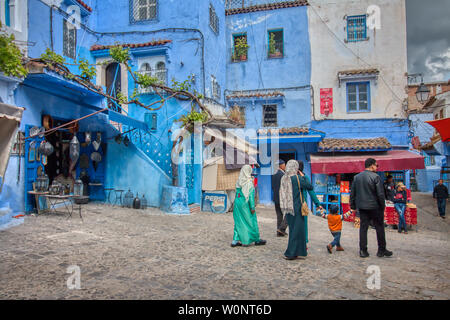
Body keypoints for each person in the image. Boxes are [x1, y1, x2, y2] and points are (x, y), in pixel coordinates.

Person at [280, 160, 322, 260]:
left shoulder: (284, 178)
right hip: (297, 208)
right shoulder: (297, 178)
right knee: (297, 231)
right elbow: (309, 186)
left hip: (288, 208)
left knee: (294, 230)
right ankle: (290, 253)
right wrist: (303, 176)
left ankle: (298, 251)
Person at [350, 158, 393, 258]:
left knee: (363, 228)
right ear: (372, 165)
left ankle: (363, 250)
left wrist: (353, 206)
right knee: (379, 227)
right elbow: (380, 194)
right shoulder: (376, 177)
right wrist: (382, 206)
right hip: (375, 207)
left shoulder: (357, 177)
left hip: (363, 207)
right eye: (376, 165)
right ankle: (381, 249)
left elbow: (353, 193)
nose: (377, 167)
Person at [231, 165, 266, 247]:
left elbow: (237, 193)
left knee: (238, 221)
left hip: (237, 202)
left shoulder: (239, 180)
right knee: (251, 221)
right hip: (245, 204)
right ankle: (255, 239)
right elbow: (250, 197)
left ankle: (235, 240)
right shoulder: (249, 182)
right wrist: (252, 207)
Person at [271, 159, 288, 236]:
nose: (285, 166)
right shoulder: (283, 175)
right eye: (284, 165)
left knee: (279, 214)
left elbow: (272, 186)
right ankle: (282, 228)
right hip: (282, 198)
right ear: (280, 165)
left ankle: (279, 231)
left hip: (276, 197)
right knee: (289, 213)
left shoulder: (273, 174)